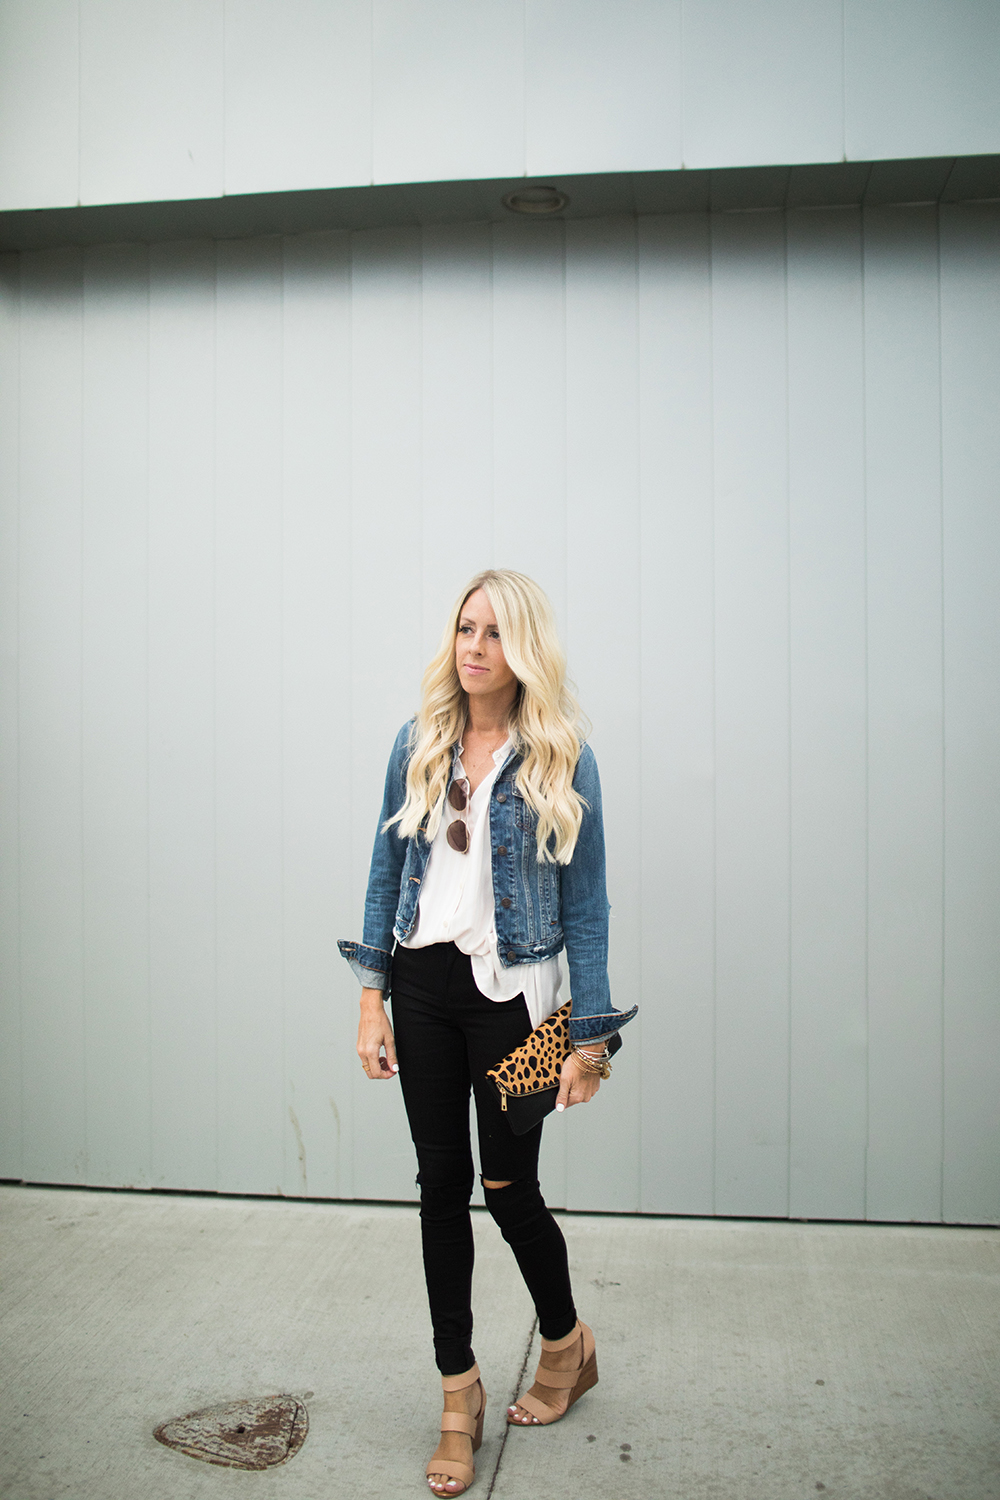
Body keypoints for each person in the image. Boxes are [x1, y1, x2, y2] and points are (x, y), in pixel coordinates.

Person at [338, 569, 636, 1496]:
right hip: (421, 986)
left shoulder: (562, 756)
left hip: (514, 1001)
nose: (475, 647)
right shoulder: (417, 740)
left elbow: (586, 909)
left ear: (525, 648)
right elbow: (384, 874)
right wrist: (371, 999)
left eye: (496, 633)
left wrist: (590, 1043)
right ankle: (457, 1393)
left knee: (508, 1189)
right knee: (440, 1187)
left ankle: (565, 1345)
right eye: (467, 628)